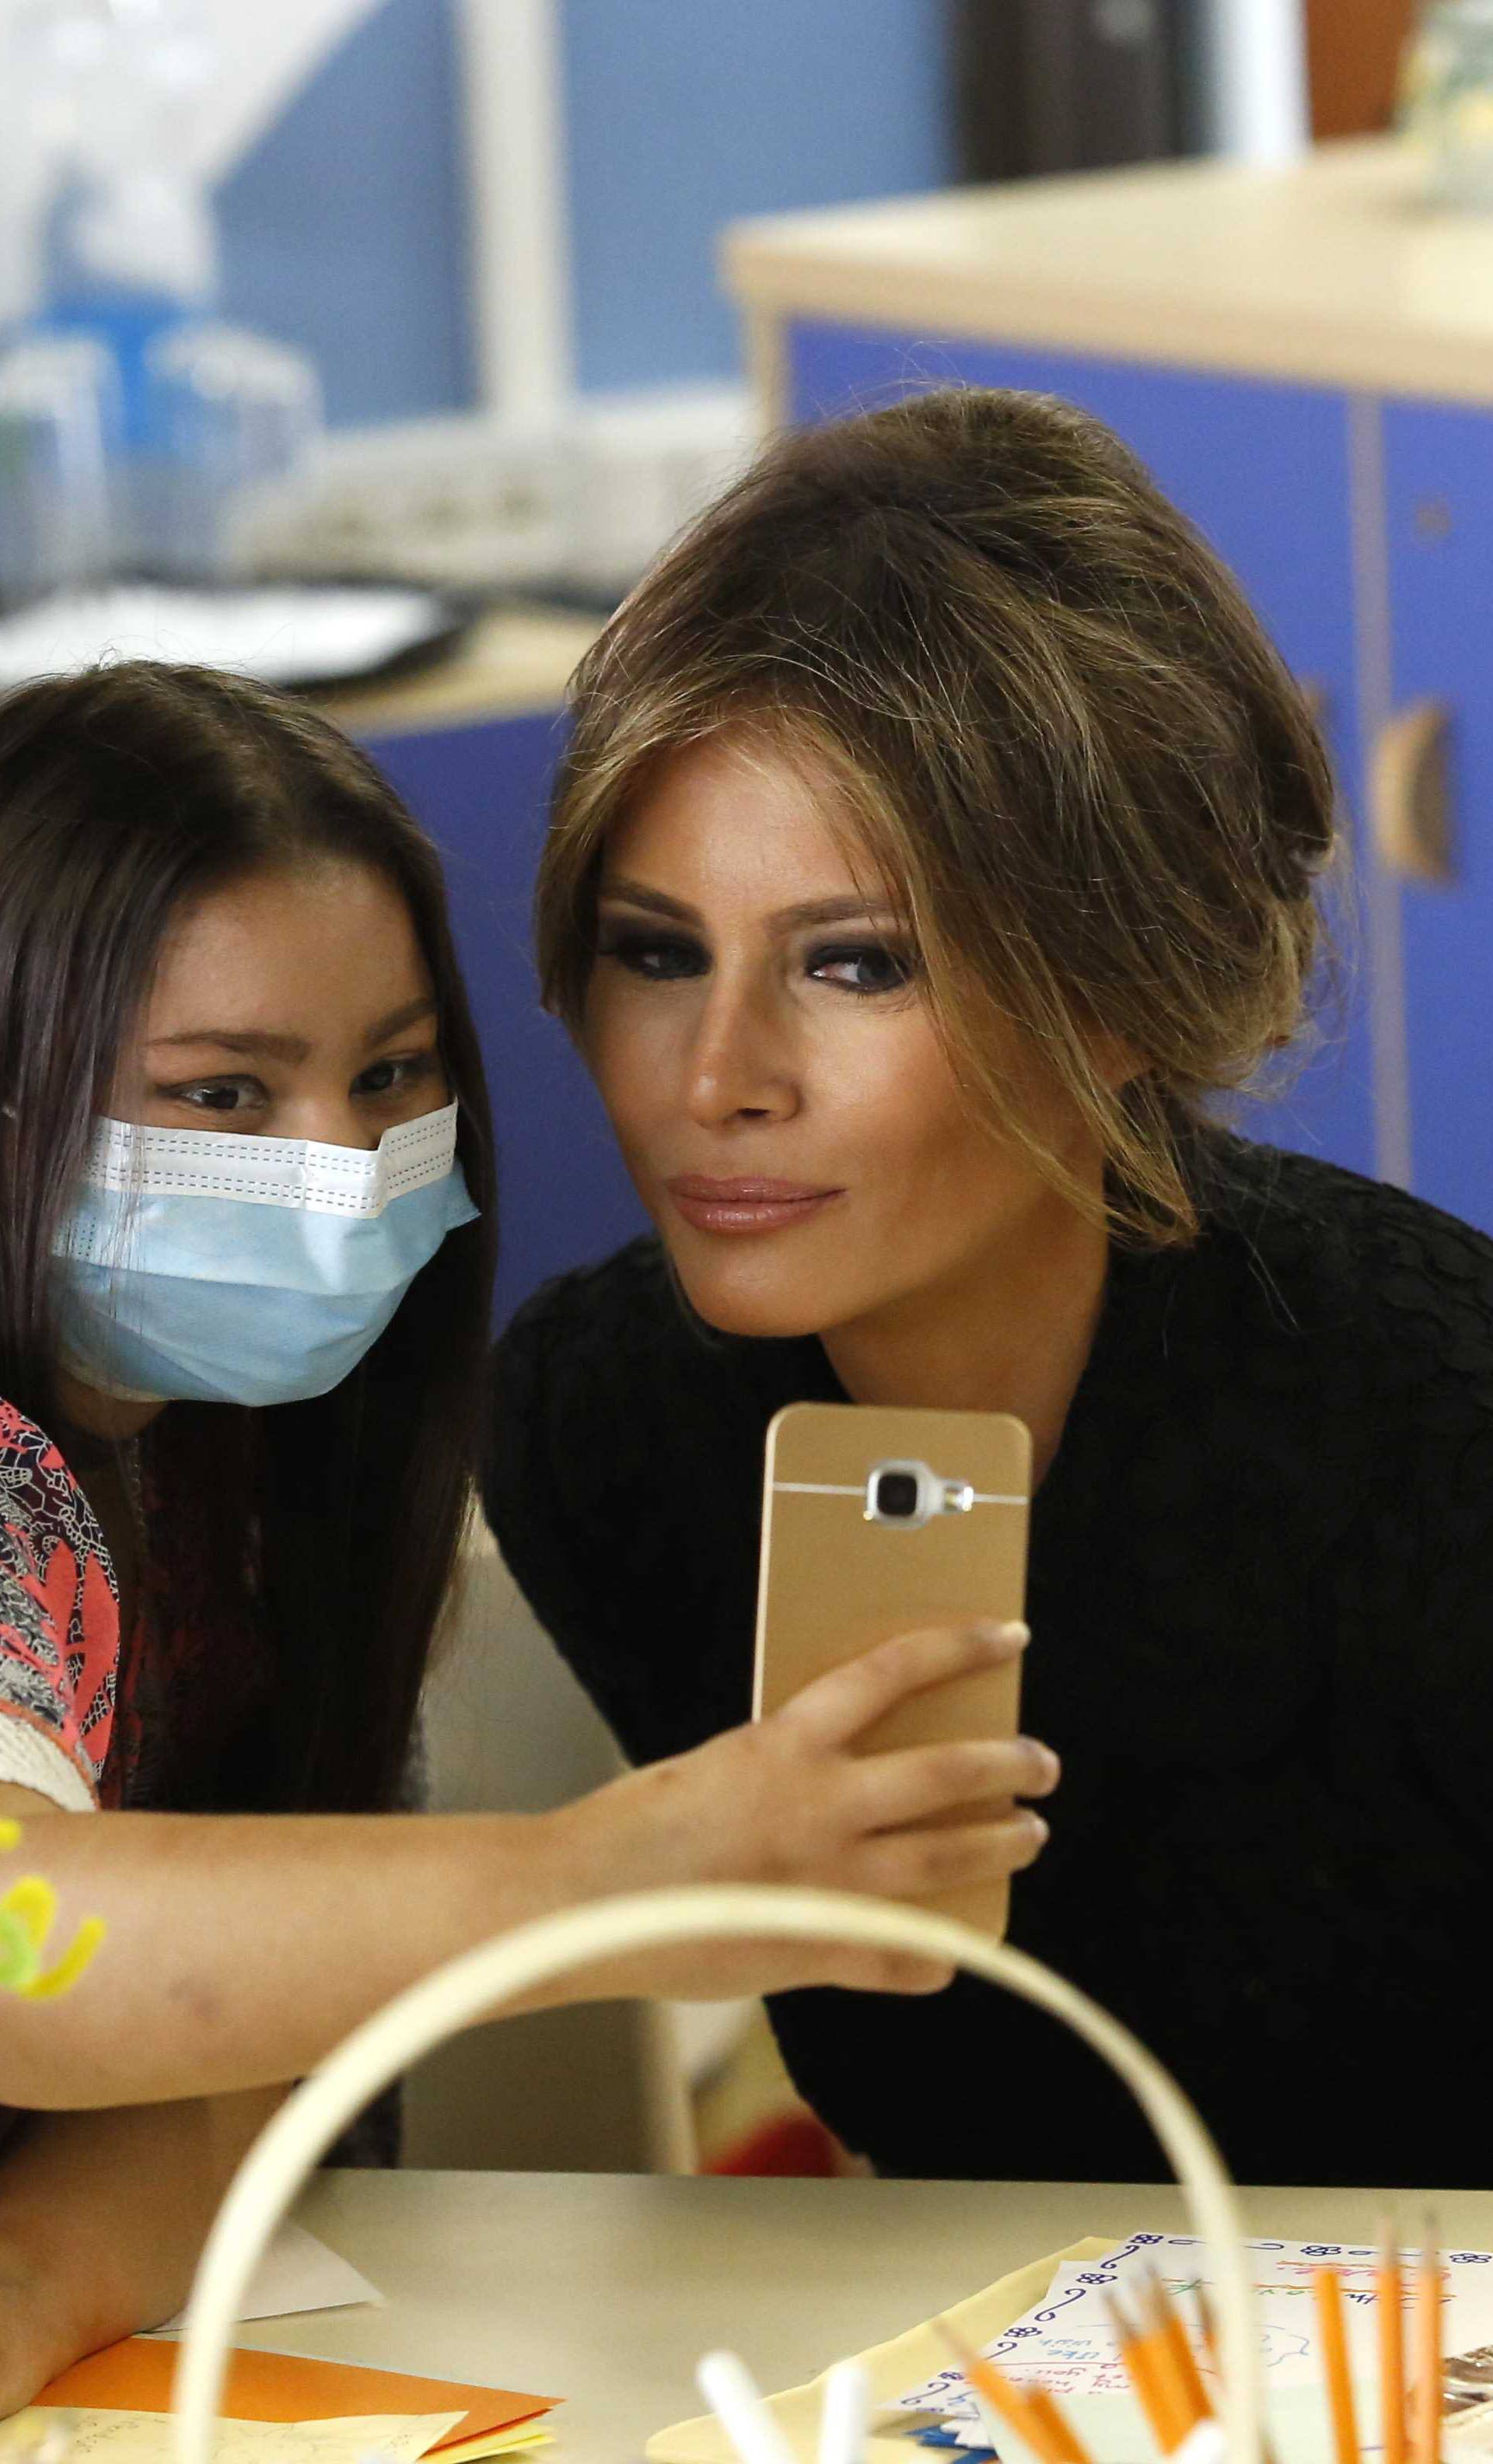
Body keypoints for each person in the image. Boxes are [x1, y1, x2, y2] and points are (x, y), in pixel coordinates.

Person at [0, 658, 1054, 2399]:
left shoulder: (241, 1458)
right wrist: (610, 1882)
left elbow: (269, 2032)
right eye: (225, 1097)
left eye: (394, 1072)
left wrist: (39, 2281)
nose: (344, 1165)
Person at [488, 385, 1493, 2189]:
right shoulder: (603, 1429)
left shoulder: (1442, 1432)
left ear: (1116, 986)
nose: (716, 1074)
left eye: (855, 965)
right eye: (657, 954)